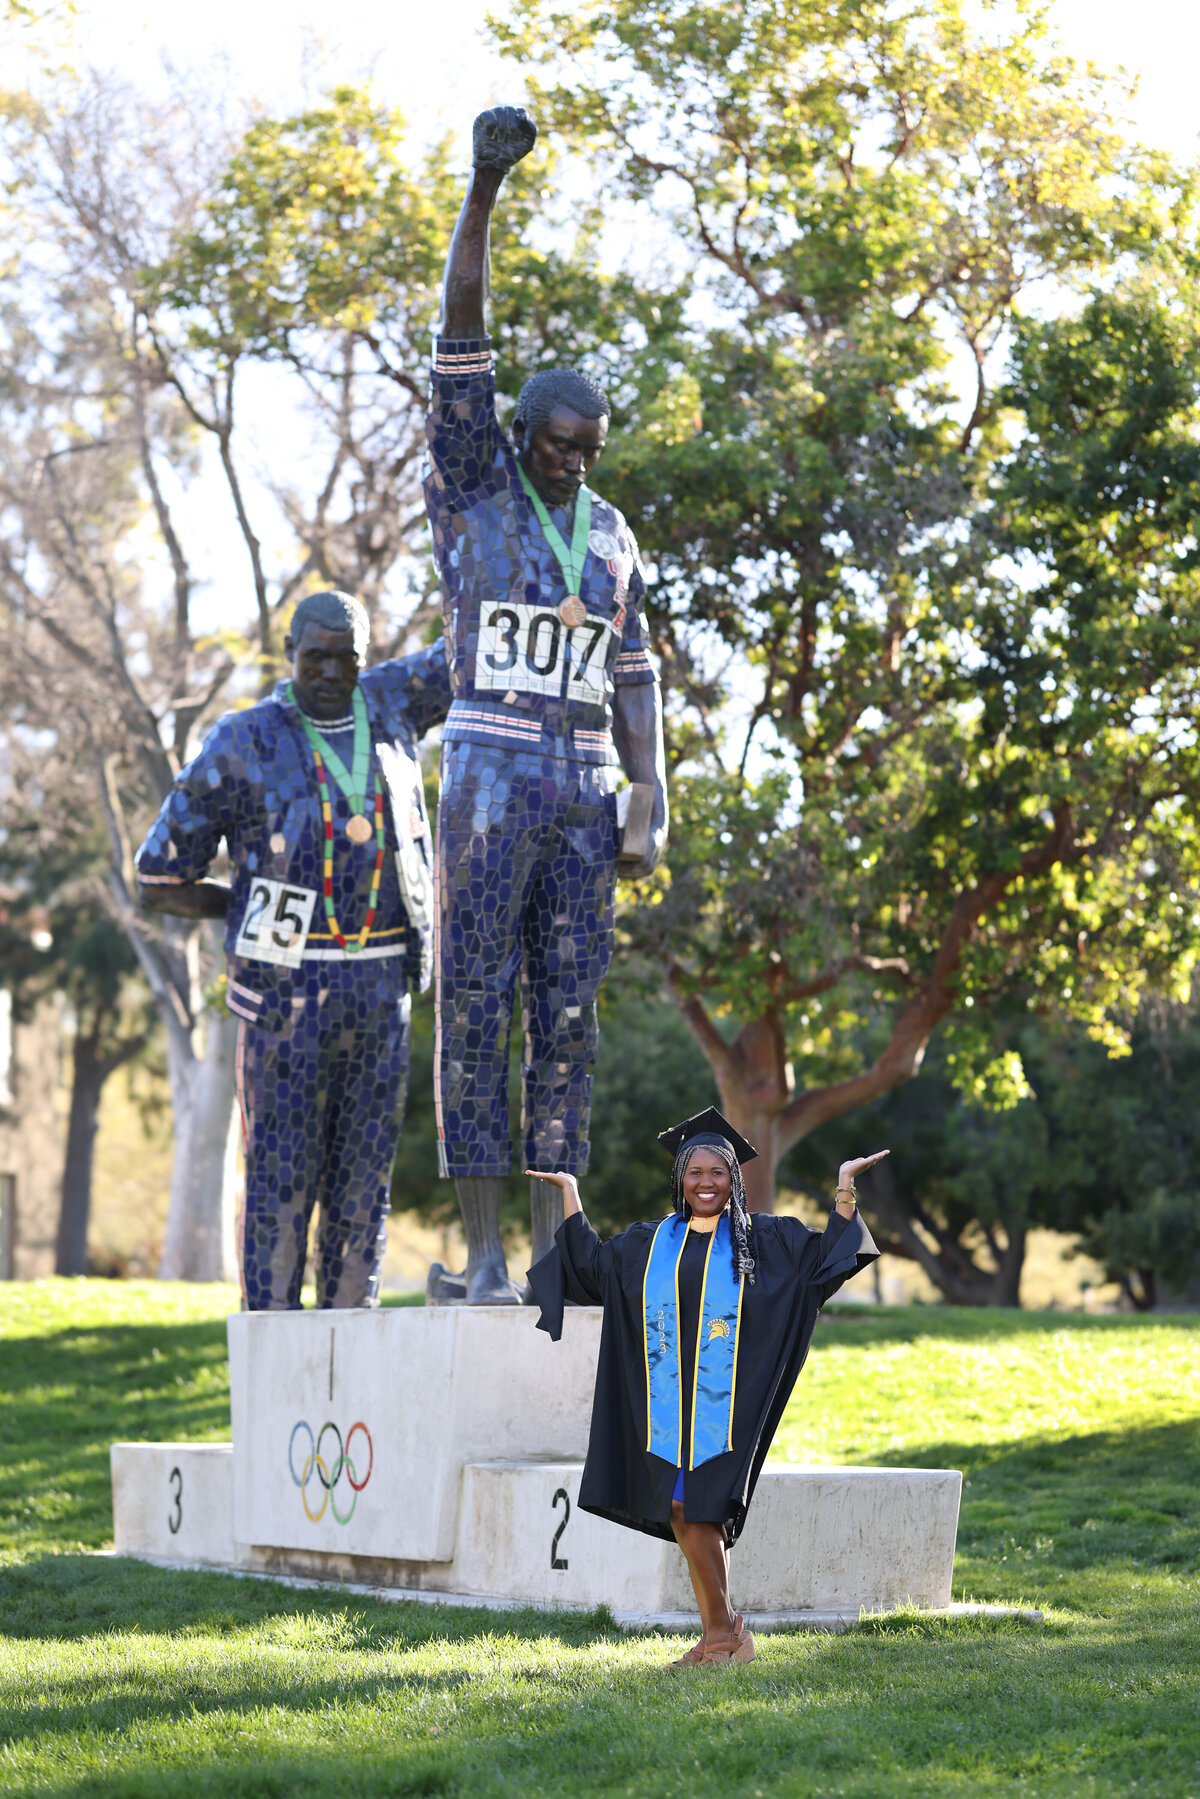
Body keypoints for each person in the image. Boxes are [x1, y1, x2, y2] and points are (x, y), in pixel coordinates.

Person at [423, 104, 669, 1305]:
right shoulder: (474, 486)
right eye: (559, 445)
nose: (575, 462)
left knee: (566, 1021)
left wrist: (652, 791)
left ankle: (552, 1250)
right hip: (483, 774)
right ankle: (473, 1255)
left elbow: (636, 670)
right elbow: (460, 335)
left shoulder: (615, 534)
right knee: (471, 1007)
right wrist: (484, 189)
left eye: (592, 448)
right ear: (520, 438)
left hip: (581, 787)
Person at [136, 590, 451, 1309]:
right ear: (289, 652)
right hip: (285, 995)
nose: (333, 672)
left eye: (349, 659)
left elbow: (464, 648)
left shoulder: (394, 705)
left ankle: (351, 1359)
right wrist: (245, 909)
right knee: (280, 1177)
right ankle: (276, 1357)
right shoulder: (242, 739)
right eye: (317, 657)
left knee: (363, 1181)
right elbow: (159, 876)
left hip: (382, 987)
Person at [527, 1107, 883, 1667]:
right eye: (694, 1173)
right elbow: (593, 1267)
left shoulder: (765, 1239)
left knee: (693, 1507)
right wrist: (570, 1192)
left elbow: (826, 1262)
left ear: (733, 1180)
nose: (705, 1183)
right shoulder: (650, 1241)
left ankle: (723, 1635)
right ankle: (724, 1635)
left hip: (726, 1407)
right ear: (680, 1180)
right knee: (685, 1509)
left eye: (717, 1173)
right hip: (667, 1405)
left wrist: (844, 1188)